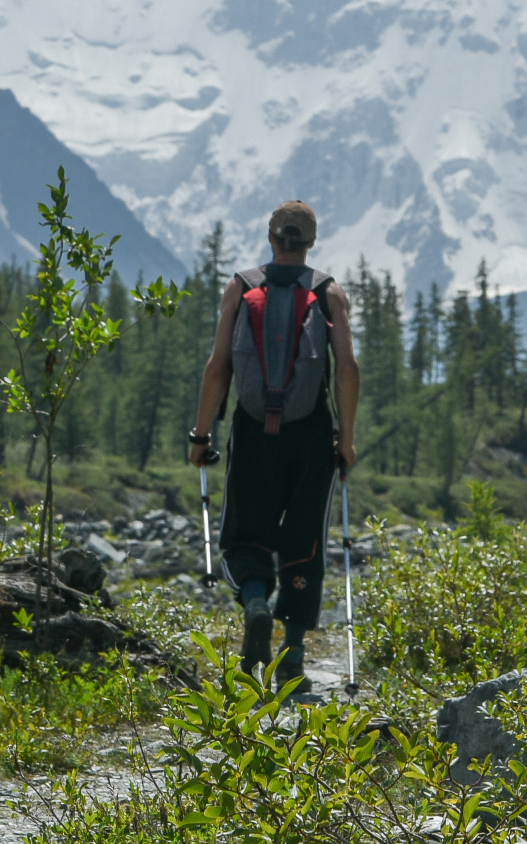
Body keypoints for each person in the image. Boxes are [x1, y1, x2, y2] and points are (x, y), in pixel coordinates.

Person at [187, 200, 359, 689]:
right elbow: (347, 367)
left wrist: (202, 435)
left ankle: (257, 601)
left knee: (245, 532)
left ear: (270, 237)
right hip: (311, 436)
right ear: (311, 241)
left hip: (252, 430)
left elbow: (218, 366)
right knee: (304, 539)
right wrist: (345, 441)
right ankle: (294, 652)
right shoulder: (329, 292)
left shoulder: (241, 288)